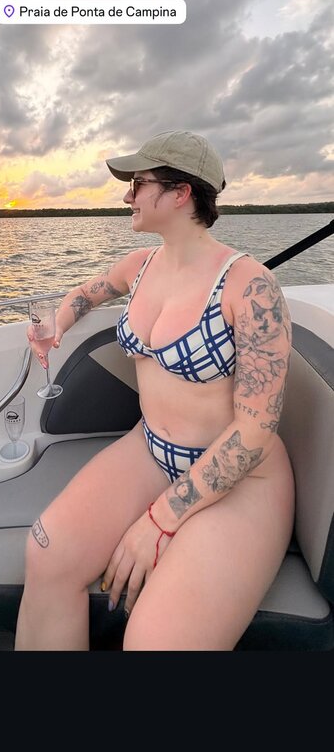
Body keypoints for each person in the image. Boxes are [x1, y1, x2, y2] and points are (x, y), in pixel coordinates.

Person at [15, 130, 295, 651]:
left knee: (155, 641)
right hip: (151, 448)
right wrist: (56, 323)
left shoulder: (251, 287)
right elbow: (87, 293)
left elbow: (256, 431)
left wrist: (159, 520)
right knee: (46, 554)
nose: (127, 196)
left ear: (181, 192)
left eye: (138, 184)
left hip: (244, 478)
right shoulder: (139, 267)